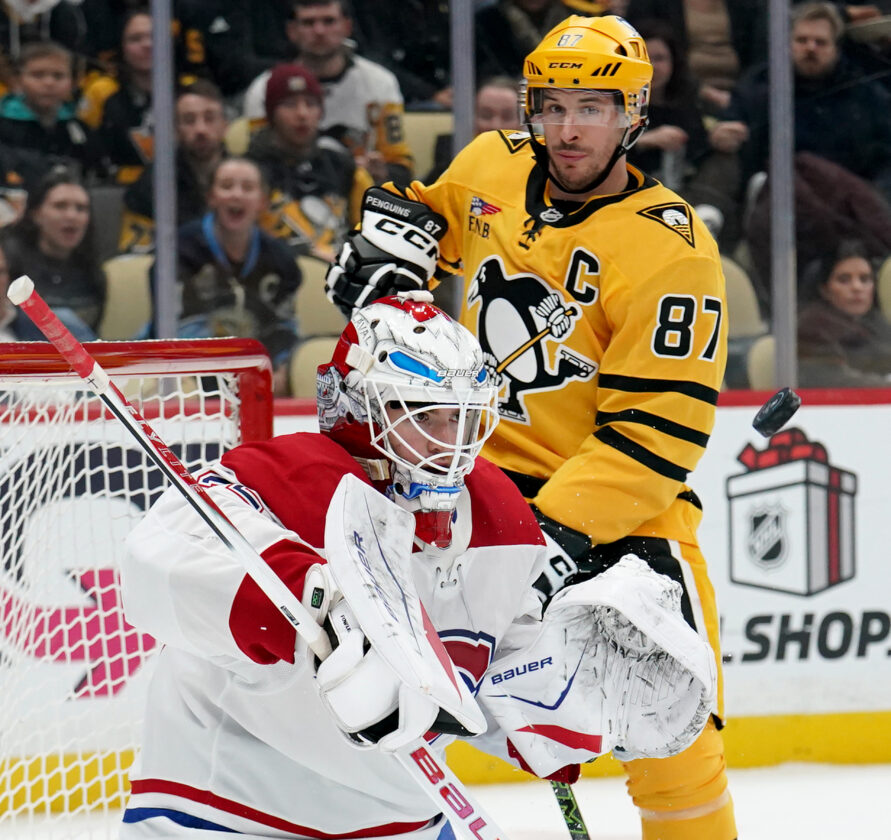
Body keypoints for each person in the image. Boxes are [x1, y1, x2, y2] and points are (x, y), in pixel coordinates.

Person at [326, 15, 736, 840]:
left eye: (592, 105)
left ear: (633, 114)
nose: (567, 127)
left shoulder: (673, 252)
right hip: (470, 493)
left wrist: (551, 537)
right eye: (550, 105)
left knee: (674, 743)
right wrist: (384, 253)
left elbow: (653, 440)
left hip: (621, 523)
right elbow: (420, 223)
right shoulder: (491, 164)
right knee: (374, 701)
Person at [118, 291, 717, 838]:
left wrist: (577, 698)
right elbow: (157, 561)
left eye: (460, 416)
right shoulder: (284, 479)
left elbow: (493, 675)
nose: (448, 440)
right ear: (361, 410)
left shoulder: (494, 512)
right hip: (221, 812)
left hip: (407, 820)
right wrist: (313, 603)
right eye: (424, 415)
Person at [162, 157, 301, 396]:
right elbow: (172, 328)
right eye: (226, 186)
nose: (237, 194)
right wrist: (234, 375)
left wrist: (280, 369)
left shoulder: (282, 261)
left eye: (247, 188)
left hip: (255, 377)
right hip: (186, 372)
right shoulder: (178, 250)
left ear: (263, 202)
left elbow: (284, 329)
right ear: (211, 197)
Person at [242, 0, 413, 184]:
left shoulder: (380, 83)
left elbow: (401, 168)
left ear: (347, 27)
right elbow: (258, 165)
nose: (319, 31)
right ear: (292, 31)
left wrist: (382, 172)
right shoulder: (264, 89)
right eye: (308, 23)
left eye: (329, 21)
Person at [246, 62, 372, 262]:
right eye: (289, 104)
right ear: (271, 115)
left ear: (321, 112)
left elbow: (372, 238)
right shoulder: (248, 173)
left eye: (310, 104)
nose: (302, 114)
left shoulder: (344, 167)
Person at [118, 79, 228, 254]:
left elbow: (283, 240)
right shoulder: (149, 187)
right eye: (189, 120)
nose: (200, 129)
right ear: (176, 129)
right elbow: (136, 254)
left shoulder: (250, 180)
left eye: (209, 118)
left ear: (225, 125)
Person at [1, 166, 104, 340]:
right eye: (60, 206)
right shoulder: (9, 259)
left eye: (81, 208)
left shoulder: (94, 269)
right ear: (36, 214)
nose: (72, 215)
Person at [0, 40, 104, 178]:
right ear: (19, 79)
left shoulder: (79, 128)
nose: (49, 83)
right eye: (38, 75)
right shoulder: (3, 125)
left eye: (58, 76)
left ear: (72, 82)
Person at [797, 239, 891, 386]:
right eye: (844, 279)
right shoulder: (812, 329)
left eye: (865, 279)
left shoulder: (878, 323)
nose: (857, 287)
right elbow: (835, 381)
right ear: (825, 289)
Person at [77, 8, 154, 185]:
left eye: (154, 36)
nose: (147, 45)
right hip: (115, 190)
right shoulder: (101, 91)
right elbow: (85, 148)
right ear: (121, 46)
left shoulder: (187, 90)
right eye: (135, 39)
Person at [425, 76, 522, 183]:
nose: (495, 125)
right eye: (486, 115)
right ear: (472, 118)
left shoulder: (537, 161)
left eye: (507, 117)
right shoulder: (451, 151)